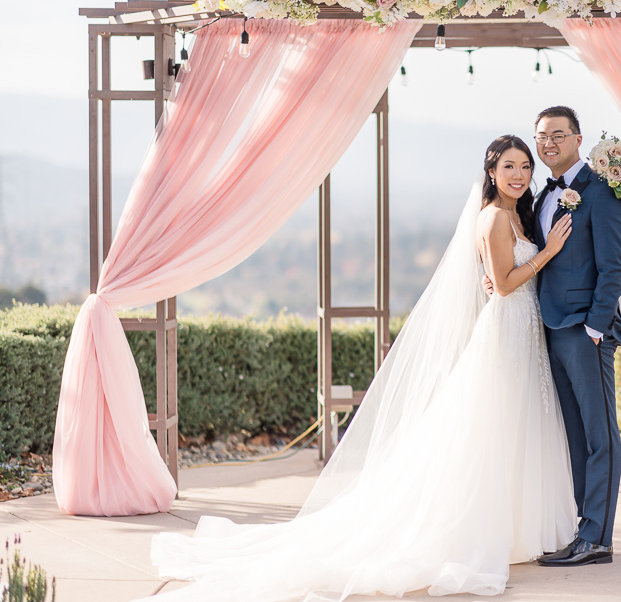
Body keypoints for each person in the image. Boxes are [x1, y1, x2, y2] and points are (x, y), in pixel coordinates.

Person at [142, 136, 577, 601]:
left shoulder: (518, 215)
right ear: (490, 172)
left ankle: (515, 529)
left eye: (525, 167)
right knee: (487, 432)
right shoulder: (492, 218)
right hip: (505, 331)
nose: (519, 174)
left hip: (523, 332)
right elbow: (507, 285)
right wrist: (548, 252)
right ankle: (473, 529)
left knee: (514, 428)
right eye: (509, 166)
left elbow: (501, 279)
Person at [524, 106, 621, 567]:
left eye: (558, 135)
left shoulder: (602, 192)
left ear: (578, 138)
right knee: (573, 433)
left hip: (585, 331)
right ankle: (584, 531)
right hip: (551, 327)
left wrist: (594, 327)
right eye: (542, 136)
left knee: (599, 434)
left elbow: (614, 267)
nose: (549, 143)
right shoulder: (540, 196)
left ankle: (598, 539)